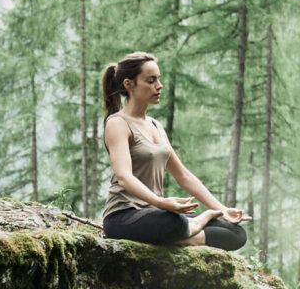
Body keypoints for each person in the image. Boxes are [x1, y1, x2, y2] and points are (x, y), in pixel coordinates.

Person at [100, 52, 249, 250]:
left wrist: (221, 209)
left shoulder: (156, 126)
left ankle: (181, 234)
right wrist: (161, 203)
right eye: (151, 81)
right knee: (174, 223)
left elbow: (183, 176)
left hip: (155, 215)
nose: (159, 86)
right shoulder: (118, 124)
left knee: (236, 233)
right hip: (123, 216)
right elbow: (124, 177)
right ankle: (193, 225)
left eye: (159, 79)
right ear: (129, 84)